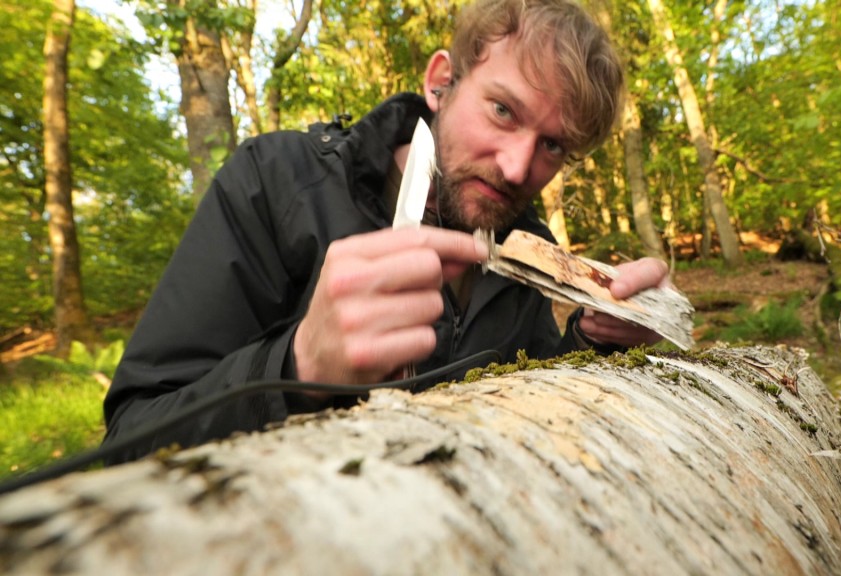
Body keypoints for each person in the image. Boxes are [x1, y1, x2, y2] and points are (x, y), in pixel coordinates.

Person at [102, 0, 670, 463]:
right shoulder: (275, 183)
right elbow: (133, 435)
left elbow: (534, 397)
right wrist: (296, 369)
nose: (520, 167)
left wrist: (597, 338)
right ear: (441, 81)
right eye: (503, 110)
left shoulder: (523, 250)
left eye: (552, 145)